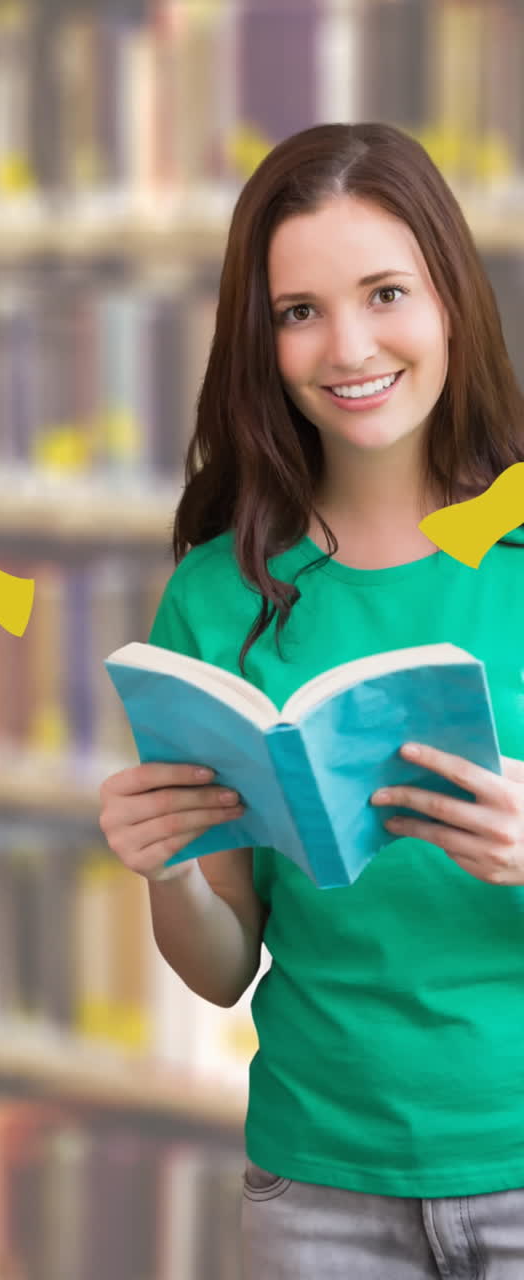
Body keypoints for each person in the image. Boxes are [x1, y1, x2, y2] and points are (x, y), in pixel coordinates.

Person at [97, 121, 524, 1278]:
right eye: (299, 311)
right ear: (261, 337)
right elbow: (222, 964)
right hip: (318, 1185)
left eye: (386, 293)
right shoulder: (215, 595)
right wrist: (171, 868)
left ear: (452, 300)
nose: (349, 347)